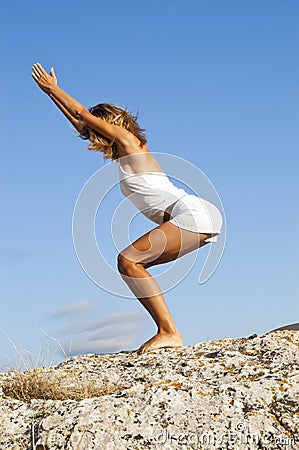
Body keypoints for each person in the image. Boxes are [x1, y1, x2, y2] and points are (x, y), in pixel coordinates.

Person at [32, 63, 223, 354]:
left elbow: (83, 115)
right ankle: (168, 331)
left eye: (99, 125)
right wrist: (51, 96)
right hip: (198, 217)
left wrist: (54, 88)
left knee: (129, 261)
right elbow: (81, 123)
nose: (91, 132)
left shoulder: (130, 141)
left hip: (193, 213)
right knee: (133, 265)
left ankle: (169, 332)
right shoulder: (124, 154)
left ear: (110, 124)